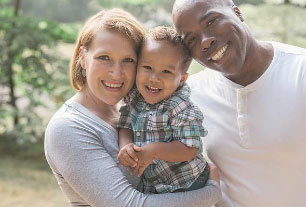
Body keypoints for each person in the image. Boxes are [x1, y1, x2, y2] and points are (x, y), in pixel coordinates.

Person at [172, 0, 306, 206]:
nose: (205, 41)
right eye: (191, 40)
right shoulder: (190, 97)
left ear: (237, 12)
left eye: (211, 21)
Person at [44, 8, 221, 207]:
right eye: (104, 57)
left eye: (128, 60)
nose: (116, 73)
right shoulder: (68, 128)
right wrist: (213, 192)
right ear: (83, 58)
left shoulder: (136, 106)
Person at [117, 26, 209, 194]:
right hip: (156, 184)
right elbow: (125, 125)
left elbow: (190, 148)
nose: (154, 78)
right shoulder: (134, 98)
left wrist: (154, 150)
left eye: (166, 71)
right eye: (147, 67)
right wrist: (126, 146)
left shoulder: (181, 107)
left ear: (181, 79)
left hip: (187, 181)